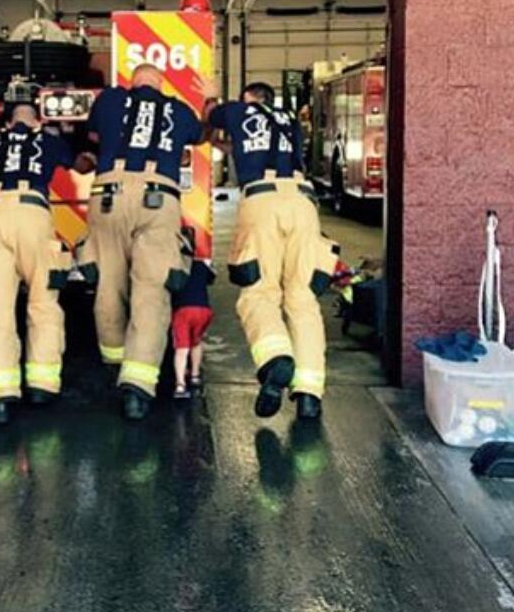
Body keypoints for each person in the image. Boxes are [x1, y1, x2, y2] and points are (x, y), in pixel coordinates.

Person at [80, 63, 212, 421]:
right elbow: (201, 136)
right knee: (151, 292)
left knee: (109, 285)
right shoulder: (178, 109)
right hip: (159, 200)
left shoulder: (109, 100)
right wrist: (208, 98)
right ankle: (137, 388)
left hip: (108, 195)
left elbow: (92, 137)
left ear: (131, 82)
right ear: (160, 84)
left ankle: (114, 362)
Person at [207, 81, 336, 421]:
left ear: (247, 99)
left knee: (260, 292)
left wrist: (210, 98)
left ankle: (276, 358)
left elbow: (210, 116)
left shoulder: (238, 111)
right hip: (302, 201)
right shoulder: (289, 119)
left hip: (262, 201)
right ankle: (309, 393)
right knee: (302, 299)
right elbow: (240, 146)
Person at [0, 103, 86, 426]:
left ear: (7, 121)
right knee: (43, 302)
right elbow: (81, 165)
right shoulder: (47, 139)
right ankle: (42, 386)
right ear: (38, 120)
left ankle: (2, 394)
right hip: (33, 212)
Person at [170, 249, 214, 400]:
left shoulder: (175, 264)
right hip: (204, 310)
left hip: (183, 311)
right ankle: (195, 376)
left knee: (182, 349)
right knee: (196, 342)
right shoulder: (201, 264)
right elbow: (210, 278)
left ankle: (180, 385)